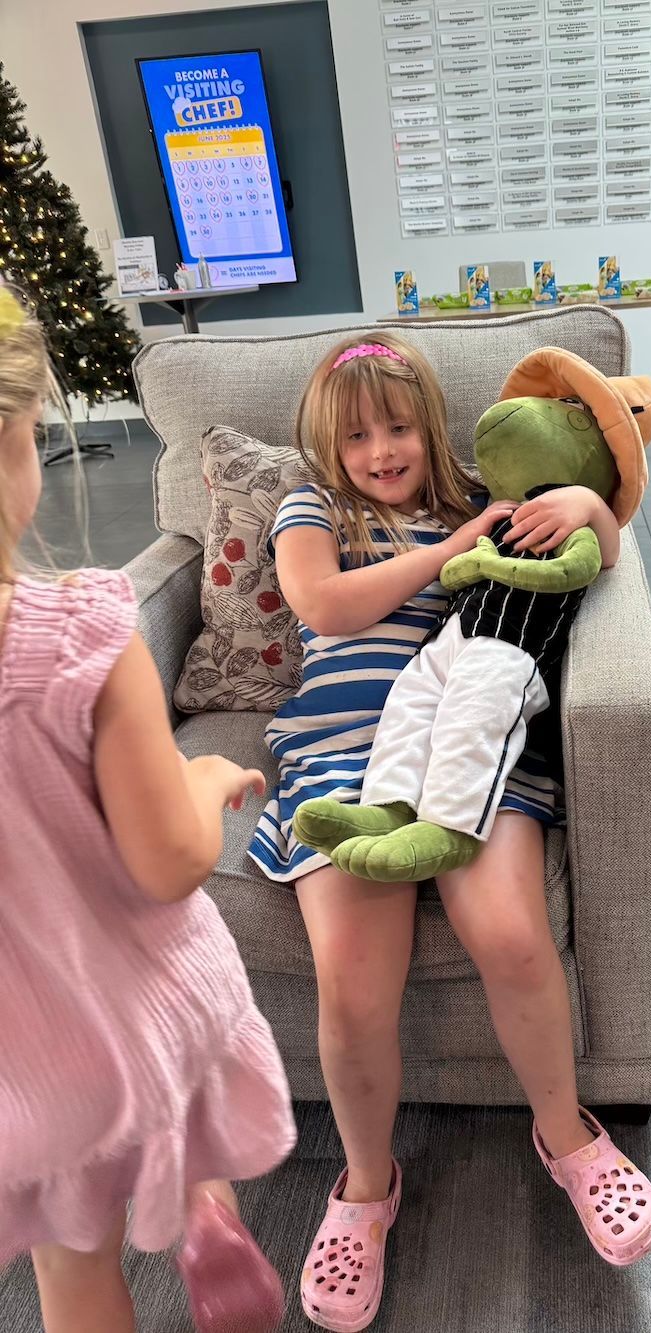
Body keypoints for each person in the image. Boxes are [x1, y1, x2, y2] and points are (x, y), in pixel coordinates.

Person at [248, 334, 651, 1332]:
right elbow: (320, 602)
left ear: (429, 425)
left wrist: (593, 508)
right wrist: (446, 551)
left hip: (473, 746)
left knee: (513, 935)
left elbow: (594, 551)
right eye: (357, 436)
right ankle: (361, 1184)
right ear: (326, 444)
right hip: (348, 758)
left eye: (397, 426)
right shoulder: (315, 505)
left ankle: (565, 1134)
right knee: (353, 980)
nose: (381, 450)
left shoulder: (482, 490)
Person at [0, 285, 297, 1333]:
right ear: (13, 449)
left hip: (21, 1079)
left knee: (69, 1276)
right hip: (138, 1008)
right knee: (179, 1108)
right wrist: (207, 781)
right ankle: (206, 1213)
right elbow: (171, 858)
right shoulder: (80, 632)